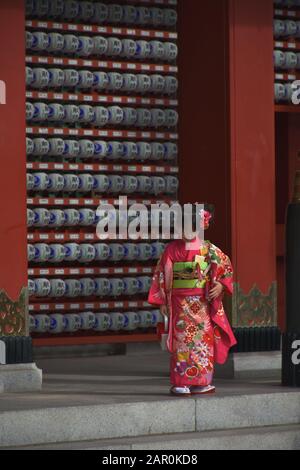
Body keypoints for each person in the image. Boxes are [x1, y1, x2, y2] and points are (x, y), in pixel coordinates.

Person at [148, 204, 237, 396]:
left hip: (202, 305)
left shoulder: (209, 249)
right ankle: (182, 382)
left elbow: (225, 268)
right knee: (183, 343)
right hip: (180, 305)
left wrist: (221, 285)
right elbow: (163, 275)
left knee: (203, 343)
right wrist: (163, 300)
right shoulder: (171, 249)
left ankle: (202, 382)